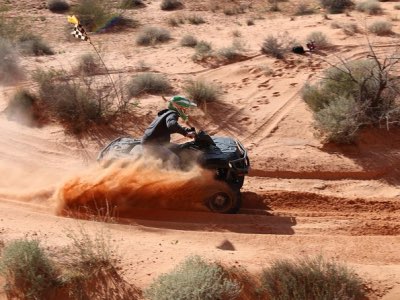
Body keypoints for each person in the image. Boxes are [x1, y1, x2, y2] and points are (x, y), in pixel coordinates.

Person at [140, 95, 197, 165]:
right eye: (184, 108)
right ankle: (172, 175)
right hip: (153, 144)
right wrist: (186, 133)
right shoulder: (172, 114)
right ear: (179, 107)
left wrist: (187, 130)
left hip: (154, 142)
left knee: (179, 148)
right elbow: (172, 125)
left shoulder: (165, 113)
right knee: (174, 160)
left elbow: (169, 128)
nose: (185, 111)